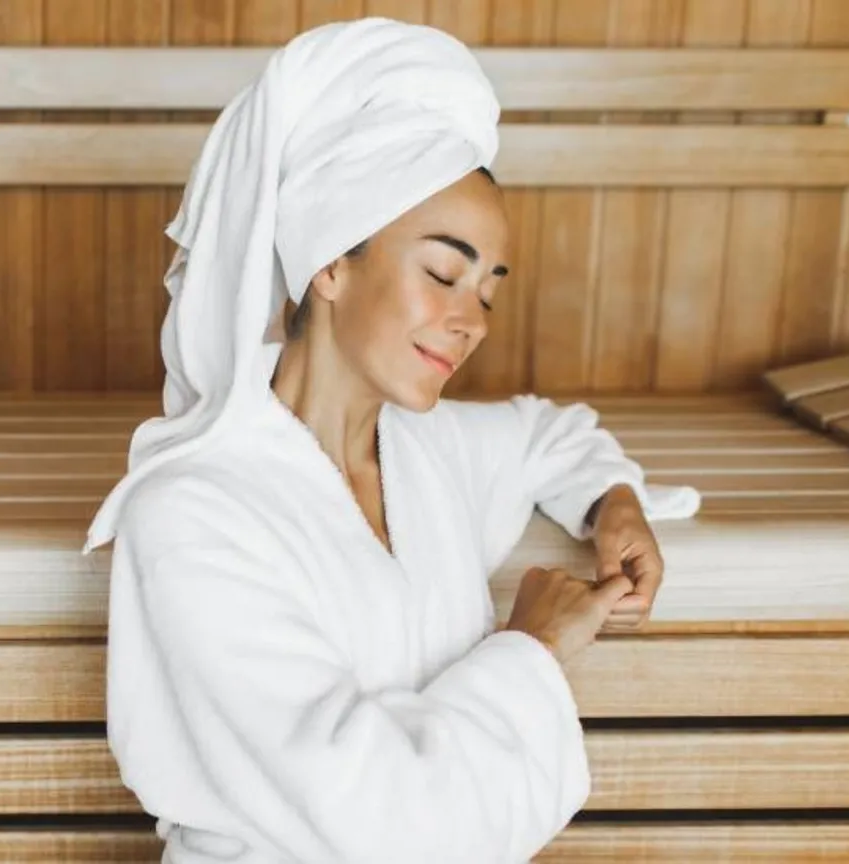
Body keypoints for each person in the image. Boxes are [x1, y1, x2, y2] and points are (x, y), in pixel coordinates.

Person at [81, 17, 702, 864]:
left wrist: (613, 502)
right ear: (329, 263)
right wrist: (534, 647)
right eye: (443, 273)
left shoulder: (426, 451)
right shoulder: (193, 513)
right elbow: (382, 820)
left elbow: (547, 435)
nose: (472, 320)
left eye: (487, 290)